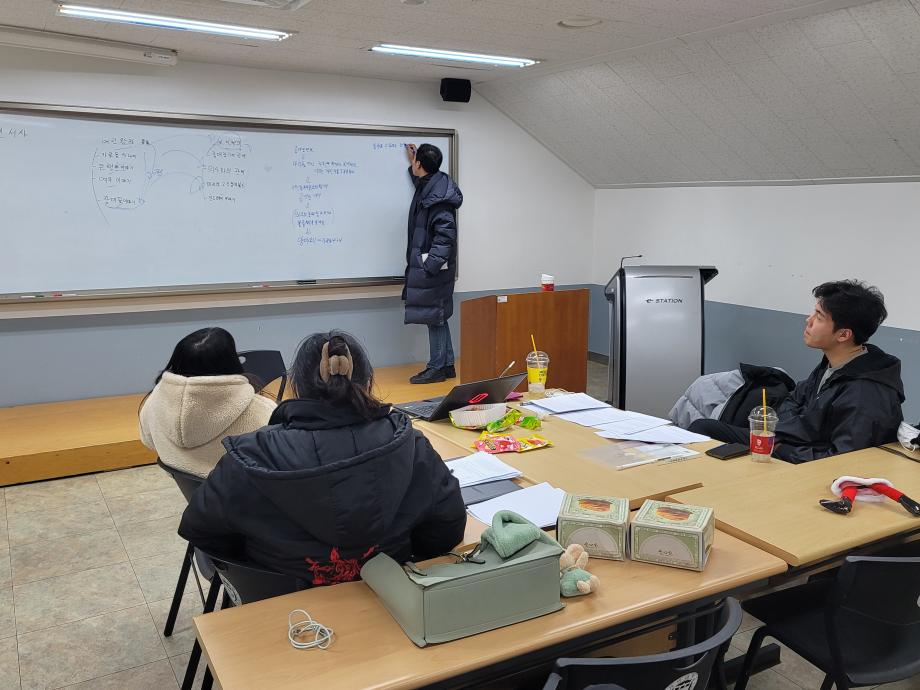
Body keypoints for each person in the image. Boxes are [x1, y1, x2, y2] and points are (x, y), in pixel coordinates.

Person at [178, 330, 466, 584]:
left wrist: (259, 566)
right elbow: (448, 526)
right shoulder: (410, 443)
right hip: (388, 597)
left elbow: (201, 529)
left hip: (285, 610)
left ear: (297, 387)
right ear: (367, 382)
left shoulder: (249, 455)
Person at [689, 280, 904, 463]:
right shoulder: (836, 362)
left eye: (819, 317)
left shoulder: (866, 392)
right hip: (792, 441)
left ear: (843, 335)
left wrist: (782, 448)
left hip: (808, 460)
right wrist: (786, 432)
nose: (808, 320)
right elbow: (793, 400)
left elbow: (841, 459)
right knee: (703, 427)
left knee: (708, 432)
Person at [139, 327, 275, 478]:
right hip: (240, 490)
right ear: (231, 361)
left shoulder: (153, 401)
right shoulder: (264, 411)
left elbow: (148, 441)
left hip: (191, 490)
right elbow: (277, 461)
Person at [403, 143, 463, 384]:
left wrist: (430, 266)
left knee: (434, 316)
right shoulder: (433, 186)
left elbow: (445, 237)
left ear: (421, 164)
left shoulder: (439, 198)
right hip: (433, 267)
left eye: (416, 161)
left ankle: (436, 367)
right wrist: (413, 162)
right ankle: (447, 364)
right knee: (438, 315)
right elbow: (421, 184)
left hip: (434, 269)